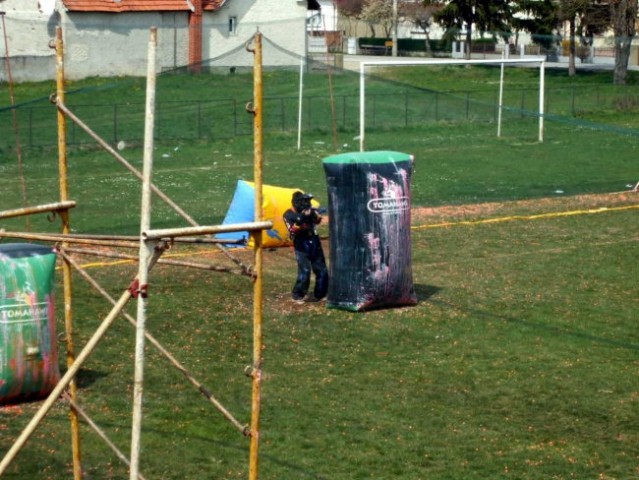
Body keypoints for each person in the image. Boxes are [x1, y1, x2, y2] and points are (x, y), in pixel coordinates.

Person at [283, 191, 328, 303]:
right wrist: (301, 218)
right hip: (301, 243)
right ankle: (298, 295)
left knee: (321, 269)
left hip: (314, 240)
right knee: (305, 270)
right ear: (295, 203)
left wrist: (313, 215)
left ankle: (321, 294)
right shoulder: (288, 214)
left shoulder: (309, 210)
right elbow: (292, 231)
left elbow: (317, 220)